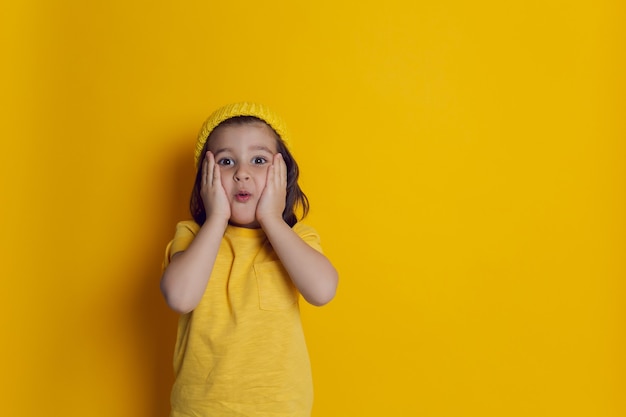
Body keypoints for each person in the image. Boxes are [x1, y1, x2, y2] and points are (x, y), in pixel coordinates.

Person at [161, 102, 338, 417]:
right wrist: (216, 218)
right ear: (206, 178)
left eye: (259, 160)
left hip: (281, 410)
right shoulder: (191, 237)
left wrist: (271, 217)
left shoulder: (296, 240)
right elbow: (179, 296)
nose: (242, 173)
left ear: (283, 175)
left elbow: (323, 291)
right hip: (201, 410)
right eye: (227, 161)